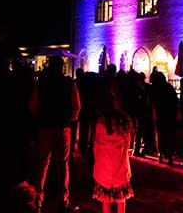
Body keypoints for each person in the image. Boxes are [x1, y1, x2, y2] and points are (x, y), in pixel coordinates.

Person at [29, 56, 81, 212]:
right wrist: (67, 119)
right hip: (63, 127)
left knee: (43, 163)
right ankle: (63, 200)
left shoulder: (41, 83)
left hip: (45, 126)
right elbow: (76, 108)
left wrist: (42, 117)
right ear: (61, 67)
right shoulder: (69, 83)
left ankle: (38, 200)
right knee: (63, 164)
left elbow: (33, 105)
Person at [93, 89, 134, 213]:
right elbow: (127, 144)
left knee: (106, 200)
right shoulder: (124, 121)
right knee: (121, 200)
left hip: (103, 169)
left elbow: (96, 146)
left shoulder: (100, 124)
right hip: (120, 169)